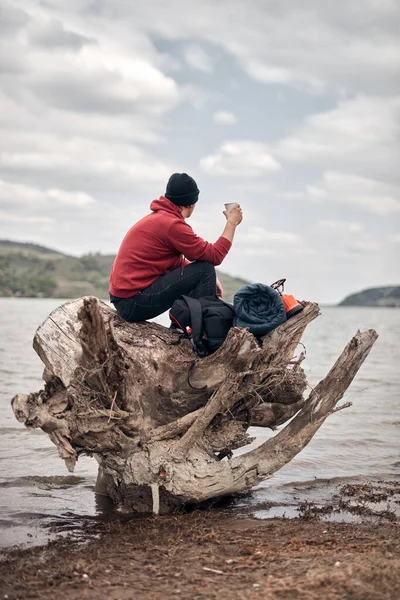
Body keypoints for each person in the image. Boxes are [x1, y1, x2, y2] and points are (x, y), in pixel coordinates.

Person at [109, 172, 243, 322]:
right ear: (191, 204)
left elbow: (173, 263)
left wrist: (210, 280)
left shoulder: (161, 218)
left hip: (124, 299)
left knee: (202, 271)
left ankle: (183, 326)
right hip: (132, 302)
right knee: (205, 270)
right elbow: (215, 256)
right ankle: (203, 332)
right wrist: (232, 223)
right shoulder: (172, 225)